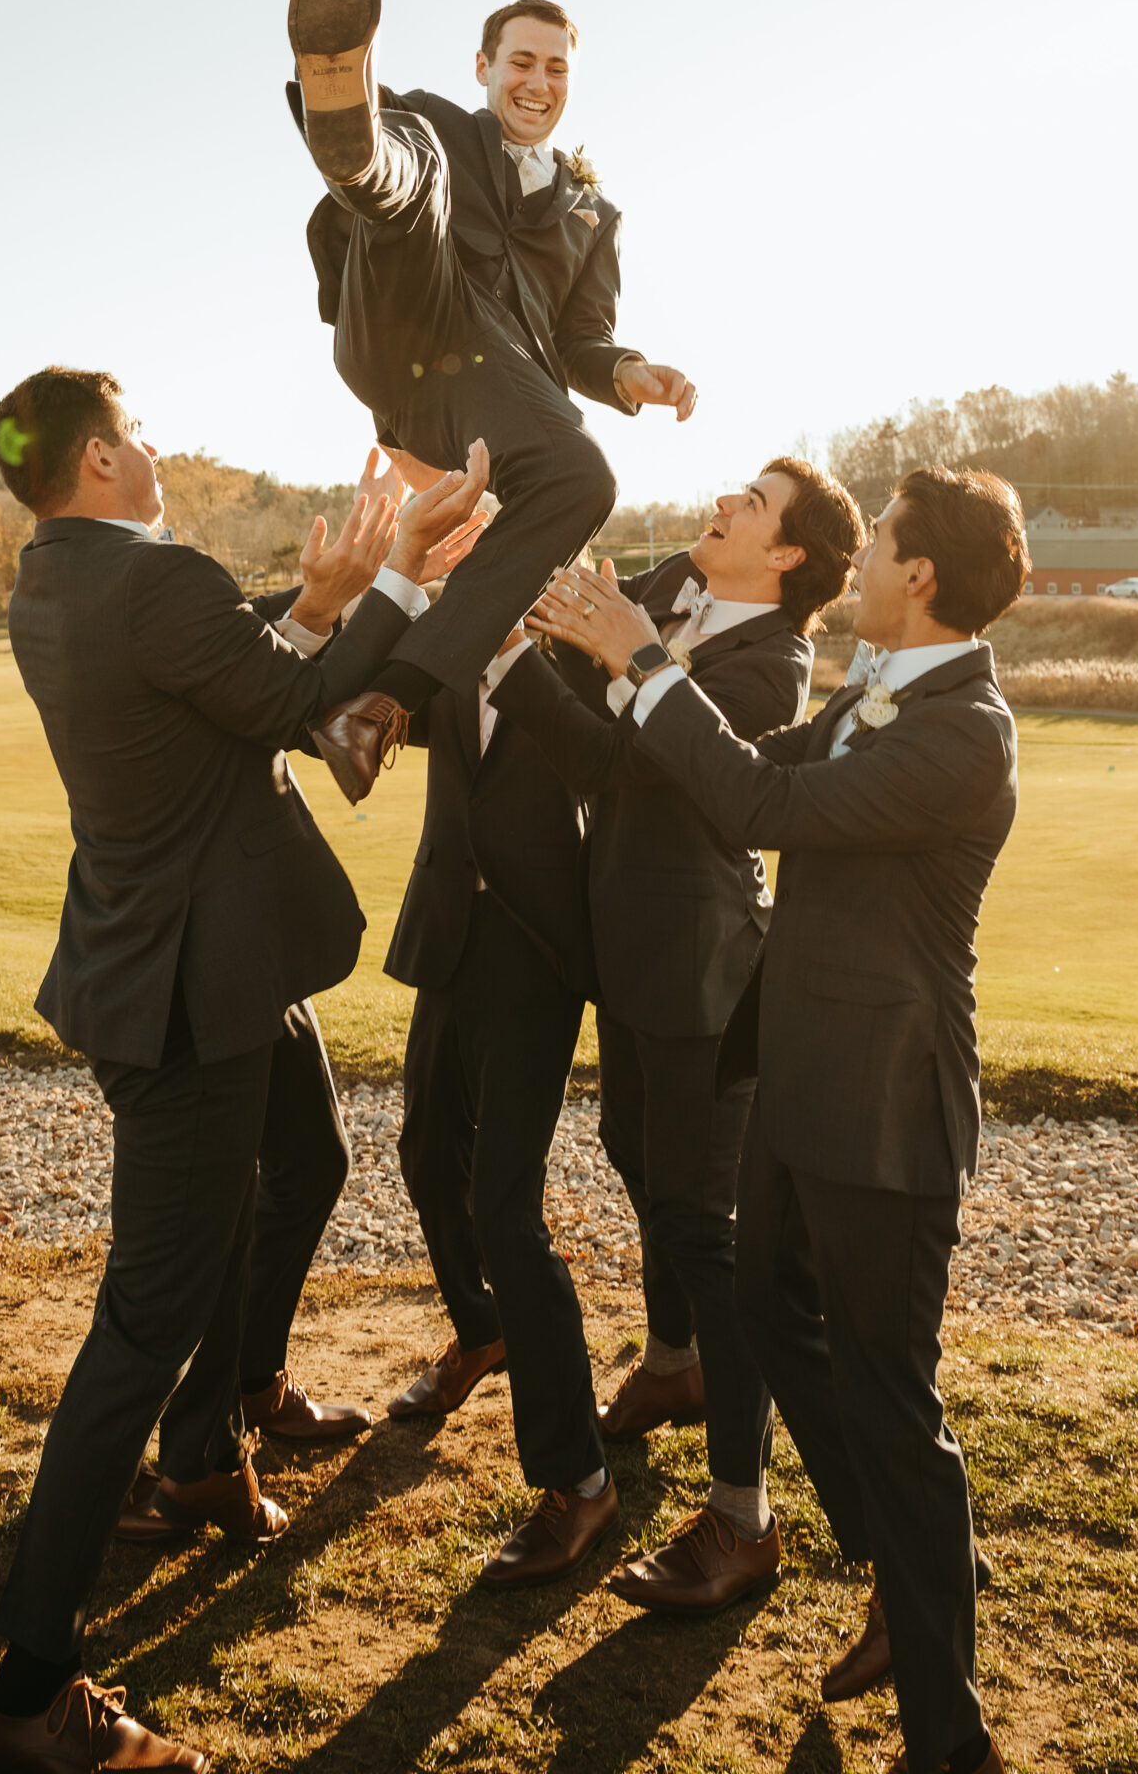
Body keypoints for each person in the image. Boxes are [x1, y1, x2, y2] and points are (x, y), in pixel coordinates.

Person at [0, 367, 484, 1774]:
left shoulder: (60, 577)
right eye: (134, 437)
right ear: (94, 460)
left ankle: (205, 1449)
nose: (155, 452)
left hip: (211, 955)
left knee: (309, 1157)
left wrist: (317, 605)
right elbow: (291, 701)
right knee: (142, 1320)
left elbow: (223, 669)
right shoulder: (155, 577)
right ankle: (32, 1683)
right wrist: (391, 573)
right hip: (191, 992)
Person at [530, 467, 1029, 1774]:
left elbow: (753, 807)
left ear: (917, 579)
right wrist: (626, 662)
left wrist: (642, 659)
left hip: (881, 1109)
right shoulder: (876, 696)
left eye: (878, 558)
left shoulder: (961, 732)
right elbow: (742, 769)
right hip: (797, 1079)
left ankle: (946, 1736)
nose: (853, 572)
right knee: (760, 1306)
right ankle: (911, 1562)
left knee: (888, 1395)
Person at [490, 463, 864, 1613]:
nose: (723, 503)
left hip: (700, 967)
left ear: (788, 557)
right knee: (632, 1153)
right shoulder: (666, 587)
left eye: (752, 503)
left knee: (712, 1235)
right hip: (627, 946)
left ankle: (745, 1517)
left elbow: (622, 765)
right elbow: (580, 619)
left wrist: (512, 665)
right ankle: (676, 1363)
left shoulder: (770, 669)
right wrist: (543, 616)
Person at [283, 0, 697, 802]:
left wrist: (630, 372)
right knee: (412, 165)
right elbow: (410, 166)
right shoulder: (446, 119)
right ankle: (353, 133)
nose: (538, 81)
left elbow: (584, 341)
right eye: (520, 62)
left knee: (582, 471)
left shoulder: (594, 216)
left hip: (491, 386)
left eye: (556, 68)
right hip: (398, 312)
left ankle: (379, 705)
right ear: (486, 67)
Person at [383, 617, 615, 1586]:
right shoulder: (443, 634)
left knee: (504, 1208)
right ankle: (483, 1333)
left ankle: (581, 1480)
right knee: (425, 1156)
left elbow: (602, 767)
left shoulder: (579, 644)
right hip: (449, 928)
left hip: (536, 951)